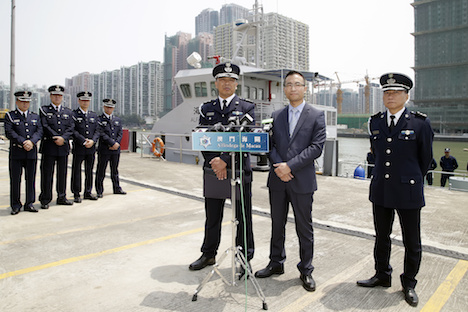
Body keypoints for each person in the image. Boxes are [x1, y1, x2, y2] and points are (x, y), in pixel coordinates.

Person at [357, 73, 434, 307]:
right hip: (381, 189)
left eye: (396, 92)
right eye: (387, 92)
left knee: (412, 241)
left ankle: (409, 283)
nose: (390, 96)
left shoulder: (420, 123)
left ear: (406, 96)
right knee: (381, 237)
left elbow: (425, 160)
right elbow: (377, 154)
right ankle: (382, 274)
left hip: (408, 191)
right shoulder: (376, 122)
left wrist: (409, 179)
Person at [254, 70, 326, 292]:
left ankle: (306, 270)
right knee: (277, 224)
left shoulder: (316, 115)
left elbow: (316, 147)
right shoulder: (276, 115)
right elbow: (270, 144)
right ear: (284, 89)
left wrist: (290, 166)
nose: (293, 88)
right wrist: (279, 167)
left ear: (305, 88)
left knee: (304, 227)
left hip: (301, 179)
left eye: (297, 84)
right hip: (277, 179)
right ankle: (276, 263)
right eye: (289, 85)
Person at [189, 63, 255, 278]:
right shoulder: (206, 109)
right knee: (213, 215)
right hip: (213, 170)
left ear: (236, 83)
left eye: (231, 80)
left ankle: (244, 260)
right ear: (216, 83)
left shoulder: (247, 107)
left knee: (243, 218)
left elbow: (247, 138)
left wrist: (225, 160)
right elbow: (201, 137)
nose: (227, 84)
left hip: (238, 171)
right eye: (223, 80)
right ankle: (208, 254)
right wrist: (214, 161)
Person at [4, 91, 43, 215]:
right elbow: (9, 132)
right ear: (17, 102)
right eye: (22, 101)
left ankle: (29, 203)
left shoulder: (35, 116)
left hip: (31, 152)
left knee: (30, 179)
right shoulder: (10, 116)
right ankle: (15, 205)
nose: (25, 104)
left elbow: (39, 131)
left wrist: (31, 142)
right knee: (15, 179)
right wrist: (23, 142)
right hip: (17, 152)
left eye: (27, 102)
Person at [39, 85, 75, 208]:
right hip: (49, 146)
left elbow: (71, 128)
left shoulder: (68, 112)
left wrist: (63, 138)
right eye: (54, 95)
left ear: (62, 97)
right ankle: (45, 199)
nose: (57, 97)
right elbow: (44, 126)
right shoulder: (44, 110)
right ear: (50, 96)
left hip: (63, 147)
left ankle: (61, 196)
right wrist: (56, 137)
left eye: (59, 95)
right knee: (47, 174)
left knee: (62, 173)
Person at [71, 91, 100, 203]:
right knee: (76, 171)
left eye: (87, 100)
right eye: (83, 100)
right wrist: (83, 141)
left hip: (91, 148)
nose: (85, 102)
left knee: (89, 171)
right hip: (79, 147)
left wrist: (93, 141)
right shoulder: (73, 115)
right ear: (79, 101)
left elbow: (97, 130)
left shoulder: (93, 115)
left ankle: (88, 192)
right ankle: (76, 193)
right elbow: (73, 130)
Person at [95, 99, 126, 197]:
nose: (109, 109)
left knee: (115, 170)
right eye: (107, 107)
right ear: (104, 107)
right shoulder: (99, 119)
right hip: (104, 149)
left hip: (115, 150)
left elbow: (120, 133)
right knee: (101, 170)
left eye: (111, 107)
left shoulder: (117, 120)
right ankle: (99, 191)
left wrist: (116, 143)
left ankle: (117, 188)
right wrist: (111, 143)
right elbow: (101, 133)